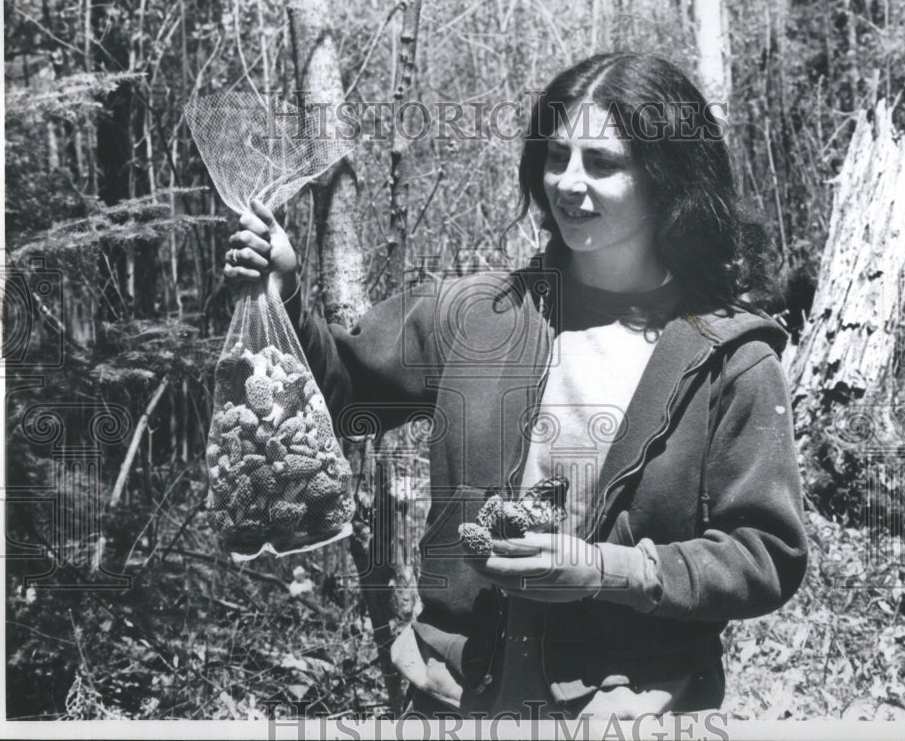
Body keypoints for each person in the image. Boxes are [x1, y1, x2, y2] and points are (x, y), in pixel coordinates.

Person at [223, 52, 808, 720]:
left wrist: (603, 570)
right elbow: (340, 401)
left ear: (665, 177)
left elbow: (766, 556)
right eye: (556, 157)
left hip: (631, 710)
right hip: (454, 699)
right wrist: (286, 296)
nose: (568, 182)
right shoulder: (473, 314)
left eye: (603, 162)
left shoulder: (728, 357)